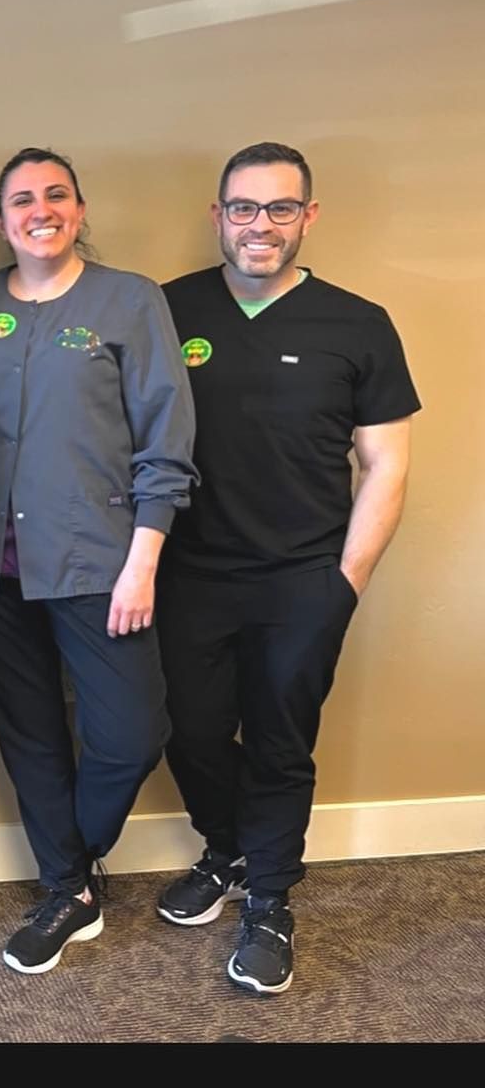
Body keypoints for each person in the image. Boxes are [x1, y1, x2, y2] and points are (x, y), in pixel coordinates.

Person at [0, 147, 196, 975]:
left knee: (131, 734)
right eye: (21, 200)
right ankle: (68, 892)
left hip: (100, 563)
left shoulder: (131, 299)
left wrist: (145, 559)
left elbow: (166, 437)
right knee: (30, 733)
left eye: (56, 195)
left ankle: (74, 856)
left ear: (79, 209)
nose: (40, 210)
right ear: (0, 221)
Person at [155, 142, 419, 996]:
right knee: (188, 731)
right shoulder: (167, 310)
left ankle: (269, 899)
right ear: (218, 215)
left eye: (279, 209)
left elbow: (385, 463)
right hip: (188, 574)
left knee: (279, 741)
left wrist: (346, 580)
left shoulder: (359, 322)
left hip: (304, 577)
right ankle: (227, 849)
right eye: (243, 208)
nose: (259, 225)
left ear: (309, 216)